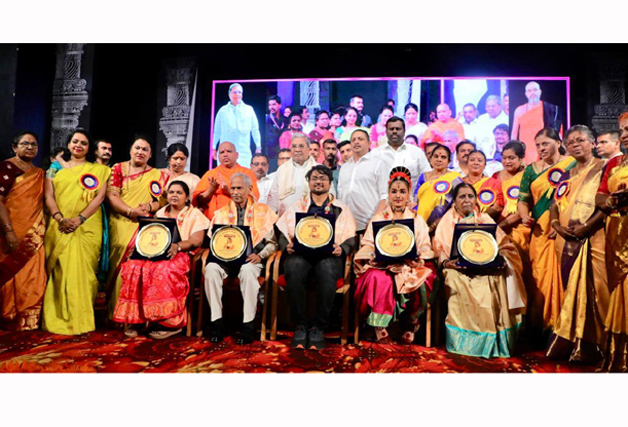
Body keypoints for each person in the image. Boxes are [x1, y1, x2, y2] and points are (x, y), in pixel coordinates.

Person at [433, 183, 526, 358]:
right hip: (458, 269)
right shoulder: (447, 221)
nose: (467, 200)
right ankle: (466, 343)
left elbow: (502, 243)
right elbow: (440, 248)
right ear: (455, 201)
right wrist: (447, 263)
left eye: (470, 196)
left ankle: (495, 342)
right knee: (455, 279)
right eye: (462, 196)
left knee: (497, 278)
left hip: (486, 267)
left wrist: (501, 258)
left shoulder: (484, 218)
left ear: (476, 200)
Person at [114, 181, 210, 339]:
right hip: (155, 253)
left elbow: (196, 240)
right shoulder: (160, 213)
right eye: (171, 192)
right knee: (133, 267)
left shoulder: (195, 215)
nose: (174, 195)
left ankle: (168, 323)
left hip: (181, 254)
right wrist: (139, 248)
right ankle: (136, 319)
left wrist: (177, 246)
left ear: (187, 197)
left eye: (179, 193)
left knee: (163, 270)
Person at [276, 165, 357, 350]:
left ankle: (318, 327)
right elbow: (282, 233)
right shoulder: (297, 206)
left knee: (327, 270)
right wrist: (286, 245)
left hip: (329, 256)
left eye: (323, 178)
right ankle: (300, 325)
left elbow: (351, 237)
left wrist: (342, 248)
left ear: (330, 182)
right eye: (314, 178)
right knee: (293, 267)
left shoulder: (340, 209)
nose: (318, 181)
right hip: (301, 255)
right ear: (309, 182)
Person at [546, 125, 608, 363]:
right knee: (570, 289)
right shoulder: (566, 174)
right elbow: (554, 204)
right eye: (570, 142)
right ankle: (573, 341)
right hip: (565, 241)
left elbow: (607, 204)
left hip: (595, 238)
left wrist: (588, 226)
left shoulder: (603, 167)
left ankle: (599, 343)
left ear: (592, 143)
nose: (575, 144)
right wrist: (556, 225)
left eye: (580, 140)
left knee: (597, 289)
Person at [354, 166, 436, 344]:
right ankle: (379, 327)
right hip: (382, 265)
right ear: (389, 194)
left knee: (423, 278)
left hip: (409, 265)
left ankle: (410, 325)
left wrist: (417, 258)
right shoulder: (379, 218)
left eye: (402, 192)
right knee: (378, 278)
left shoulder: (416, 219)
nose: (398, 196)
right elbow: (367, 244)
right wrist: (372, 257)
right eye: (394, 191)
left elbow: (424, 244)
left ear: (408, 195)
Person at [42, 129, 111, 334]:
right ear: (68, 144)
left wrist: (80, 219)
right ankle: (58, 319)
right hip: (59, 225)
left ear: (89, 148)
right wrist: (59, 218)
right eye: (75, 141)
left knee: (85, 273)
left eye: (83, 143)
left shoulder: (99, 170)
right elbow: (48, 196)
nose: (78, 145)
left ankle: (82, 319)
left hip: (87, 226)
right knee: (61, 270)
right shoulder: (54, 168)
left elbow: (99, 198)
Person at [204, 173, 278, 344]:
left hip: (250, 260)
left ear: (249, 189)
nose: (235, 192)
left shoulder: (263, 211)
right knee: (210, 270)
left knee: (247, 270)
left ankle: (248, 326)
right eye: (233, 188)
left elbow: (273, 244)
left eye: (239, 188)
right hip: (225, 260)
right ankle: (217, 323)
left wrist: (260, 255)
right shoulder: (221, 213)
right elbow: (214, 241)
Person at [518, 127, 575, 335]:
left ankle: (564, 326)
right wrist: (524, 215)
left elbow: (575, 197)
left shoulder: (572, 164)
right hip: (540, 231)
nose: (541, 148)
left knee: (564, 275)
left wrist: (559, 224)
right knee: (539, 275)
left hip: (564, 230)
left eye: (545, 144)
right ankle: (541, 326)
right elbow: (523, 200)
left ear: (558, 143)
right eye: (538, 145)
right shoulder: (531, 170)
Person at [106, 135, 170, 318]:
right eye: (137, 148)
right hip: (120, 222)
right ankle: (115, 313)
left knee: (137, 269)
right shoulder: (118, 168)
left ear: (150, 155)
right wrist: (130, 211)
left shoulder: (158, 175)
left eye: (145, 149)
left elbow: (162, 201)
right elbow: (112, 196)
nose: (140, 152)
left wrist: (149, 207)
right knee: (117, 267)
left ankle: (133, 315)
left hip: (143, 227)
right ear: (130, 150)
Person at [0, 131, 46, 331]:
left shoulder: (39, 173)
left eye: (34, 144)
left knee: (33, 274)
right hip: (10, 230)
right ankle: (7, 316)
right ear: (14, 147)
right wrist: (9, 231)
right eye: (25, 143)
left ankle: (28, 320)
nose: (30, 147)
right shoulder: (6, 168)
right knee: (10, 271)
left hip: (34, 233)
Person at [595, 111, 628, 372]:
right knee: (620, 289)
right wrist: (612, 201)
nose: (625, 134)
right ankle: (619, 356)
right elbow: (600, 196)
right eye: (623, 130)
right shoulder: (615, 164)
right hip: (617, 231)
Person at [337, 129, 388, 232]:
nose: (356, 142)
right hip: (347, 226)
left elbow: (385, 196)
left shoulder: (378, 164)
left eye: (360, 139)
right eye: (353, 140)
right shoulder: (344, 168)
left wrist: (374, 220)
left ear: (369, 143)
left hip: (370, 224)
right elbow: (340, 196)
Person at [193, 142, 259, 220]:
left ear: (237, 155)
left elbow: (252, 199)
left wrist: (228, 191)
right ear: (218, 156)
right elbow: (198, 202)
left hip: (241, 219)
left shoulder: (247, 173)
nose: (225, 154)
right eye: (222, 152)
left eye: (229, 151)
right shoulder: (211, 174)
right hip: (215, 220)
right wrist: (211, 190)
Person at [371, 116, 431, 194]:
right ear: (386, 131)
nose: (394, 131)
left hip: (411, 199)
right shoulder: (375, 154)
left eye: (398, 129)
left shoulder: (417, 152)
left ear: (404, 131)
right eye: (391, 129)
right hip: (382, 199)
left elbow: (428, 177)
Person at [267, 133, 321, 216]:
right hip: (285, 218)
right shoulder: (282, 169)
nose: (297, 150)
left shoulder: (319, 169)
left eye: (301, 146)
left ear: (308, 148)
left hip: (311, 218)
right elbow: (273, 197)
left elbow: (329, 195)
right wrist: (270, 217)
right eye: (294, 146)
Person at [511, 81, 564, 164]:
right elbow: (514, 133)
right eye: (529, 91)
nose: (532, 93)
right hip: (526, 151)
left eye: (535, 90)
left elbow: (558, 131)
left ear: (540, 92)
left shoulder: (550, 109)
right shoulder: (519, 110)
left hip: (544, 148)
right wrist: (513, 151)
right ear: (526, 94)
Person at [413, 144, 462, 233]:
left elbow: (459, 201)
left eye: (443, 157)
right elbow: (416, 199)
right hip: (421, 220)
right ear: (430, 159)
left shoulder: (454, 178)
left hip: (444, 221)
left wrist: (442, 219)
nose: (439, 159)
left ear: (448, 161)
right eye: (436, 156)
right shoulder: (423, 176)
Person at [212, 83, 261, 167]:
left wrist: (258, 146)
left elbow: (255, 129)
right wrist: (213, 147)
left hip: (244, 151)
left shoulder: (249, 109)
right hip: (226, 151)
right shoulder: (223, 111)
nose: (237, 94)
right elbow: (217, 131)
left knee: (244, 173)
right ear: (229, 94)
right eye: (235, 92)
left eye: (239, 92)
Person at [492, 141, 528, 250]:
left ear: (521, 159)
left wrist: (501, 226)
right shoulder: (496, 176)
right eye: (504, 158)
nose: (507, 161)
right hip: (497, 223)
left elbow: (527, 205)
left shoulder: (527, 176)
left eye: (511, 158)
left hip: (520, 225)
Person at [463, 150, 504, 222]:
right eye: (472, 160)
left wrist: (479, 218)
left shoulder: (494, 183)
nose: (476, 163)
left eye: (480, 160)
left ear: (485, 165)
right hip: (461, 222)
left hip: (485, 223)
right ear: (467, 163)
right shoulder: (459, 182)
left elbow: (498, 207)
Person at [265, 95, 286, 163]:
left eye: (274, 104)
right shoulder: (266, 120)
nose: (271, 107)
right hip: (270, 153)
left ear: (279, 105)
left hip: (283, 152)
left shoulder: (285, 120)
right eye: (270, 105)